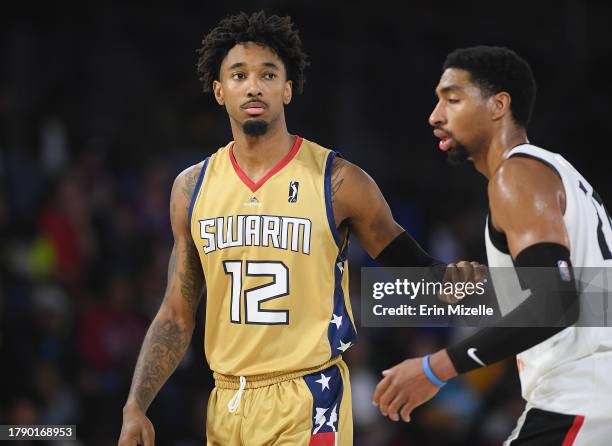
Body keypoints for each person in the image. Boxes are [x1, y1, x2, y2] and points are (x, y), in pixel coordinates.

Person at [117, 12, 479, 446]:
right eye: (239, 75)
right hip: (227, 401)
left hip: (309, 396)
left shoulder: (339, 181)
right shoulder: (191, 188)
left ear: (286, 89)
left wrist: (487, 289)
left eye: (268, 75)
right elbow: (176, 315)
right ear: (219, 91)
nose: (254, 86)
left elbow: (414, 267)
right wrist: (135, 405)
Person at [373, 45, 612, 445]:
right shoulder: (555, 173)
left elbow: (555, 304)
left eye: (452, 99)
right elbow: (589, 298)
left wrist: (435, 369)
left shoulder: (515, 177)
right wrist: (484, 294)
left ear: (499, 105)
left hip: (581, 398)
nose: (435, 115)